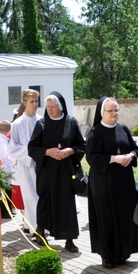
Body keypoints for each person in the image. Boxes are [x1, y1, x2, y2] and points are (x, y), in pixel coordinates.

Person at [86, 97, 138, 268]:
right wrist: (114, 159)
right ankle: (107, 255)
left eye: (116, 110)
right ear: (102, 112)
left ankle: (124, 252)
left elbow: (135, 148)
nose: (114, 113)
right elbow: (92, 157)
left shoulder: (123, 128)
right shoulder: (95, 132)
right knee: (106, 217)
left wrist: (130, 156)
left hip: (124, 182)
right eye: (110, 111)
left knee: (125, 216)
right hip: (104, 183)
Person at [28, 91, 85, 252]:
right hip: (47, 171)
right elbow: (32, 148)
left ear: (60, 107)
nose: (50, 110)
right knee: (45, 202)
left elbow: (81, 145)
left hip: (66, 171)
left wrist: (70, 151)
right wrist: (48, 152)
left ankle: (69, 239)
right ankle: (41, 233)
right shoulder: (41, 124)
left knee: (66, 204)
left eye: (53, 106)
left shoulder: (71, 122)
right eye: (48, 107)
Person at [11, 90, 41, 234]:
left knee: (42, 196)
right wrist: (31, 153)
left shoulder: (41, 121)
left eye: (36, 101)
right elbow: (14, 148)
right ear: (24, 103)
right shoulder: (17, 124)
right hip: (26, 165)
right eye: (32, 102)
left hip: (41, 164)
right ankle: (33, 226)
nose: (35, 104)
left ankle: (44, 226)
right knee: (30, 197)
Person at [0, 120, 15, 219]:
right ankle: (5, 212)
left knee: (8, 190)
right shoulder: (1, 141)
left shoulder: (2, 139)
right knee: (5, 190)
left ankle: (8, 210)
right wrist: (13, 162)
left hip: (5, 167)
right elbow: (5, 155)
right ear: (9, 130)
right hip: (4, 168)